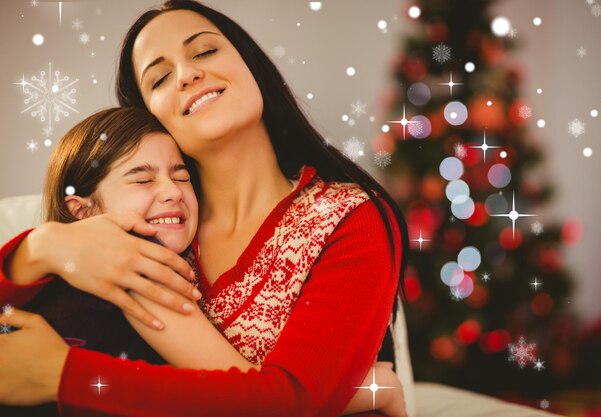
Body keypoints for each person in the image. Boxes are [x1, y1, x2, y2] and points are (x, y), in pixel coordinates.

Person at [0, 1, 410, 416]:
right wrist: (42, 246)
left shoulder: (348, 217)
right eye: (159, 78)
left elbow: (295, 402)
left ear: (251, 66)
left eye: (205, 51)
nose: (187, 74)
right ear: (150, 119)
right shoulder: (151, 228)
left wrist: (66, 375)